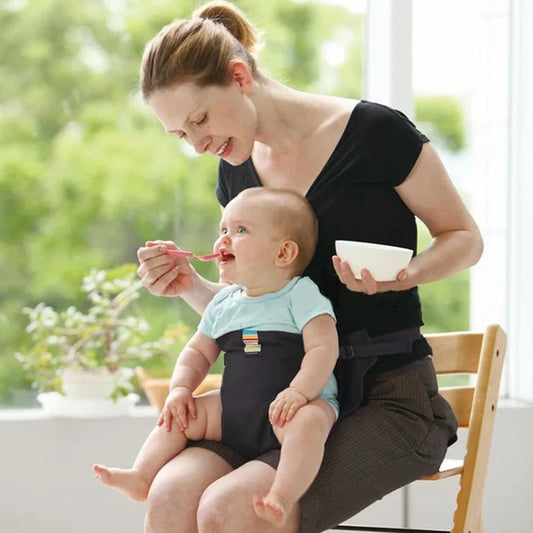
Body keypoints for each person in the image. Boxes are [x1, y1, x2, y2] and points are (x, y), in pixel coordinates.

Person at [135, 1, 483, 532]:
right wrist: (191, 286)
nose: (198, 143)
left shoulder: (376, 134)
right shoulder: (236, 174)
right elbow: (256, 309)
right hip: (273, 402)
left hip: (386, 400)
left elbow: (465, 238)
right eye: (181, 134)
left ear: (240, 76)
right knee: (169, 496)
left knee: (229, 510)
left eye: (200, 118)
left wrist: (406, 275)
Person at [93, 187, 340, 528]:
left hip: (292, 409)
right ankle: (142, 474)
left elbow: (323, 349)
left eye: (240, 231)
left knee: (310, 424)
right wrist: (180, 390)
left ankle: (281, 494)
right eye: (223, 229)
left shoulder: (301, 295)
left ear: (283, 253)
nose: (224, 239)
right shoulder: (226, 304)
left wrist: (299, 392)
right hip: (234, 411)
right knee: (181, 414)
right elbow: (197, 351)